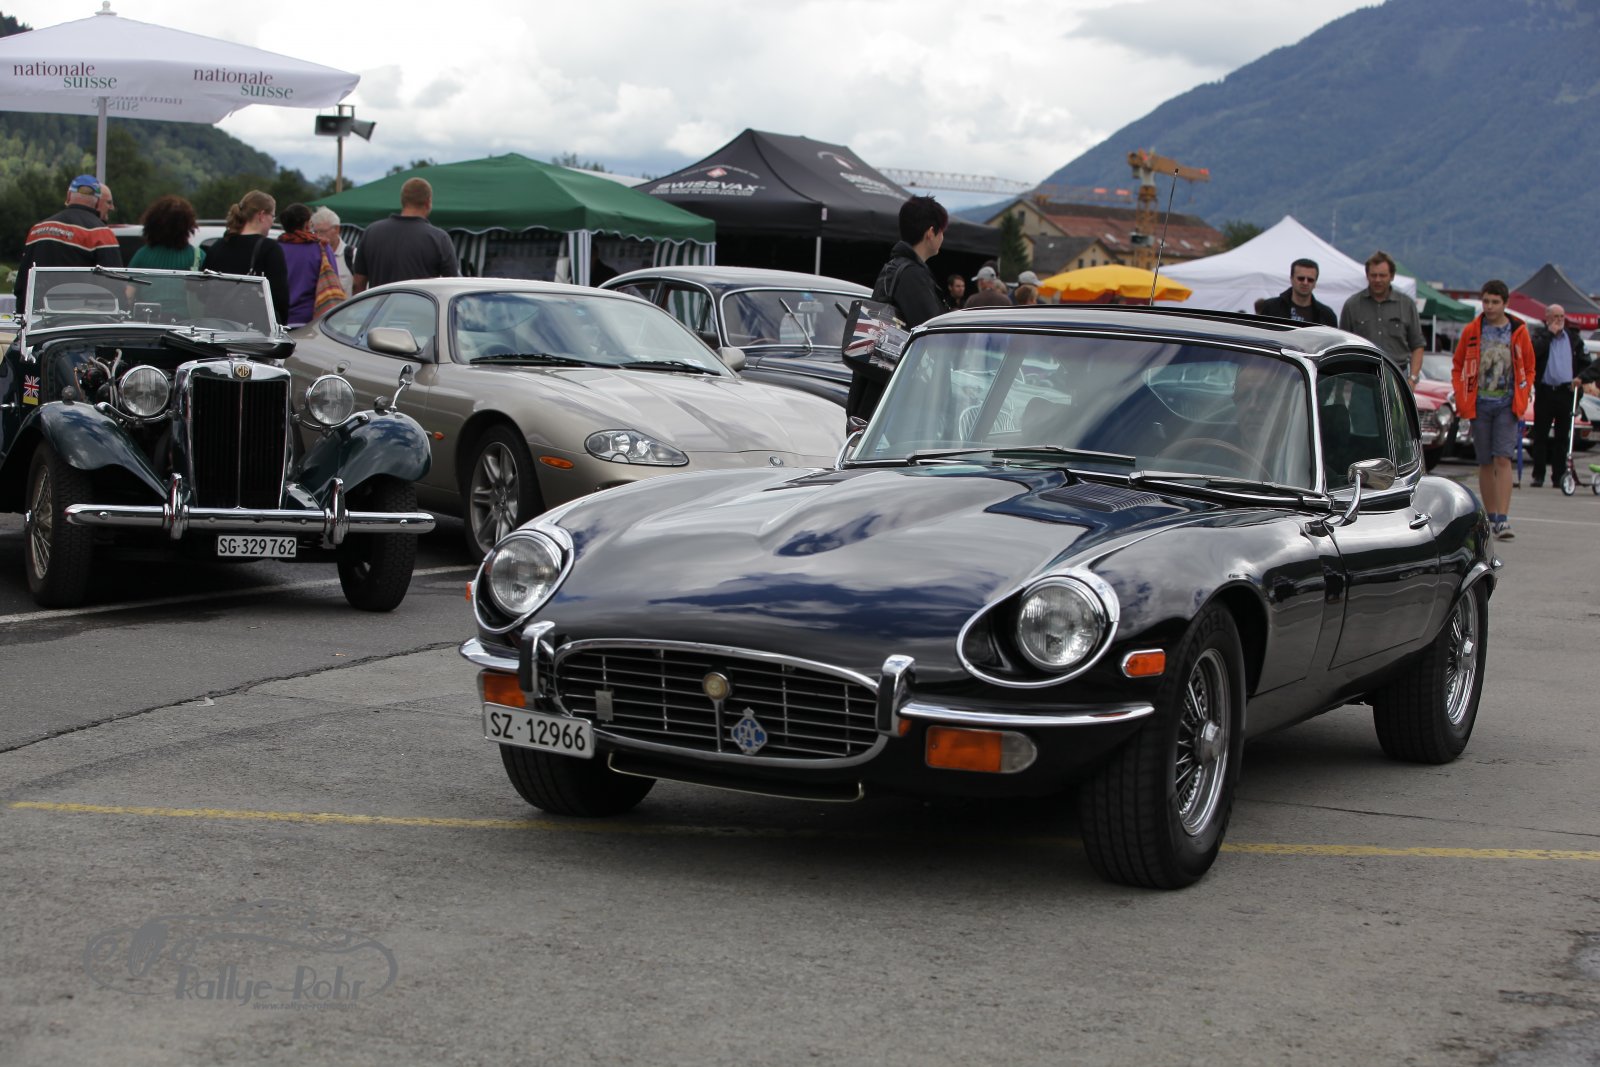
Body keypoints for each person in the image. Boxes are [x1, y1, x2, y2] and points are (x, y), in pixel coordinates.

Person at [850, 195, 949, 421]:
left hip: (877, 390)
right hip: (897, 402)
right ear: (930, 232)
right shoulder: (912, 275)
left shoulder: (895, 267)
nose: (943, 237)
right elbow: (935, 333)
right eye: (942, 231)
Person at [1452, 280, 1534, 540]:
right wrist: (1462, 395)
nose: (1489, 306)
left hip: (1507, 404)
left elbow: (1529, 366)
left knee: (1503, 458)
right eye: (1486, 301)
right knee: (1485, 461)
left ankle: (1503, 518)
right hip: (1479, 403)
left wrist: (1522, 395)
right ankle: (1490, 516)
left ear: (1505, 303)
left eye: (1495, 302)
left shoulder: (1518, 331)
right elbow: (1458, 363)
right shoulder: (1472, 330)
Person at [12, 174, 122, 307]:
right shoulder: (101, 233)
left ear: (69, 196)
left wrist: (22, 314)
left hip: (38, 314)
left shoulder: (37, 230)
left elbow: (22, 284)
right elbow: (115, 286)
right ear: (98, 202)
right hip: (81, 315)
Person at [350, 177, 459, 292]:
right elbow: (452, 287)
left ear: (403, 201)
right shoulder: (439, 238)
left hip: (381, 303)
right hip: (421, 303)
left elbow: (358, 284)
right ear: (428, 202)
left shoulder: (371, 232)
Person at [201, 190, 290, 326]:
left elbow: (202, 290)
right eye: (272, 216)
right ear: (261, 215)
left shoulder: (217, 246)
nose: (272, 221)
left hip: (216, 326)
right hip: (252, 329)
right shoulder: (270, 249)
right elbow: (279, 296)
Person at [1529, 304, 1594, 488]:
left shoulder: (1573, 339)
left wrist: (1580, 380)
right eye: (1555, 316)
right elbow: (1532, 354)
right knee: (1540, 435)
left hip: (1566, 392)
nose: (1559, 320)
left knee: (1562, 437)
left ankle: (1559, 475)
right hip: (1545, 391)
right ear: (1547, 318)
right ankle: (1538, 475)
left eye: (1561, 316)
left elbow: (1586, 362)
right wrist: (1549, 334)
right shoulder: (1540, 336)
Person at [1340, 250, 1424, 386]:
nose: (1377, 280)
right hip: (1361, 379)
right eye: (1373, 275)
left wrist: (1413, 379)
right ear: (1367, 275)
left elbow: (1418, 345)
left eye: (1382, 275)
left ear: (1392, 276)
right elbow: (1341, 345)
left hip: (1397, 378)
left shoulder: (1406, 305)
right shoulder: (1352, 305)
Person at [276, 203, 332, 328]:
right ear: (307, 224)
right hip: (311, 321)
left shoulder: (276, 248)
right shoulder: (321, 248)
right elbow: (332, 279)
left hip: (278, 320)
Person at [128, 195, 201, 272]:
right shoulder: (197, 257)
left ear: (153, 223)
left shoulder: (141, 255)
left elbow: (129, 278)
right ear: (188, 224)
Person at [1256, 258, 1337, 326]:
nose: (1305, 283)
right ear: (1291, 279)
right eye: (1301, 278)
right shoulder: (1271, 308)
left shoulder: (1327, 315)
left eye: (1310, 280)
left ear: (1315, 283)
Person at [310, 206, 354, 294]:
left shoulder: (352, 255)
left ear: (337, 229)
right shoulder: (312, 255)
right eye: (315, 232)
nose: (318, 236)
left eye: (322, 231)